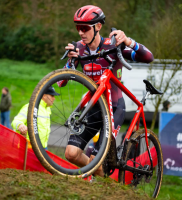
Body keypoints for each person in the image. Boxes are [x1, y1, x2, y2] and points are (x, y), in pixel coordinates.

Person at [58, 5, 154, 176]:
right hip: (93, 108)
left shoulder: (113, 45)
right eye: (78, 28)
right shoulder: (78, 48)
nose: (81, 32)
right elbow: (61, 83)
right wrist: (70, 63)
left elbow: (148, 57)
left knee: (98, 163)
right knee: (71, 154)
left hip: (114, 108)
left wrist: (129, 41)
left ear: (98, 27)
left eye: (85, 28)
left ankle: (101, 179)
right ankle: (100, 177)